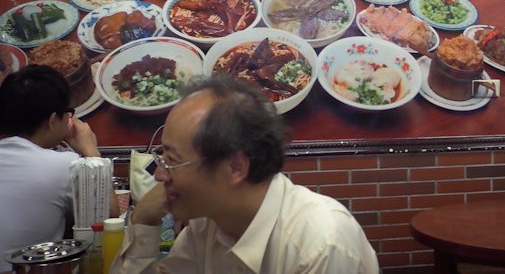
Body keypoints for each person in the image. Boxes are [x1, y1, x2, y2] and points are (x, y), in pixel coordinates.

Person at [113, 75, 379, 274]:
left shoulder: (320, 243)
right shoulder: (209, 224)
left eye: (171, 160)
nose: (159, 175)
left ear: (235, 168)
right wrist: (143, 220)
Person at [0, 64, 115, 272]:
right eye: (68, 113)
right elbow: (110, 218)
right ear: (53, 120)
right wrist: (91, 151)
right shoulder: (62, 165)